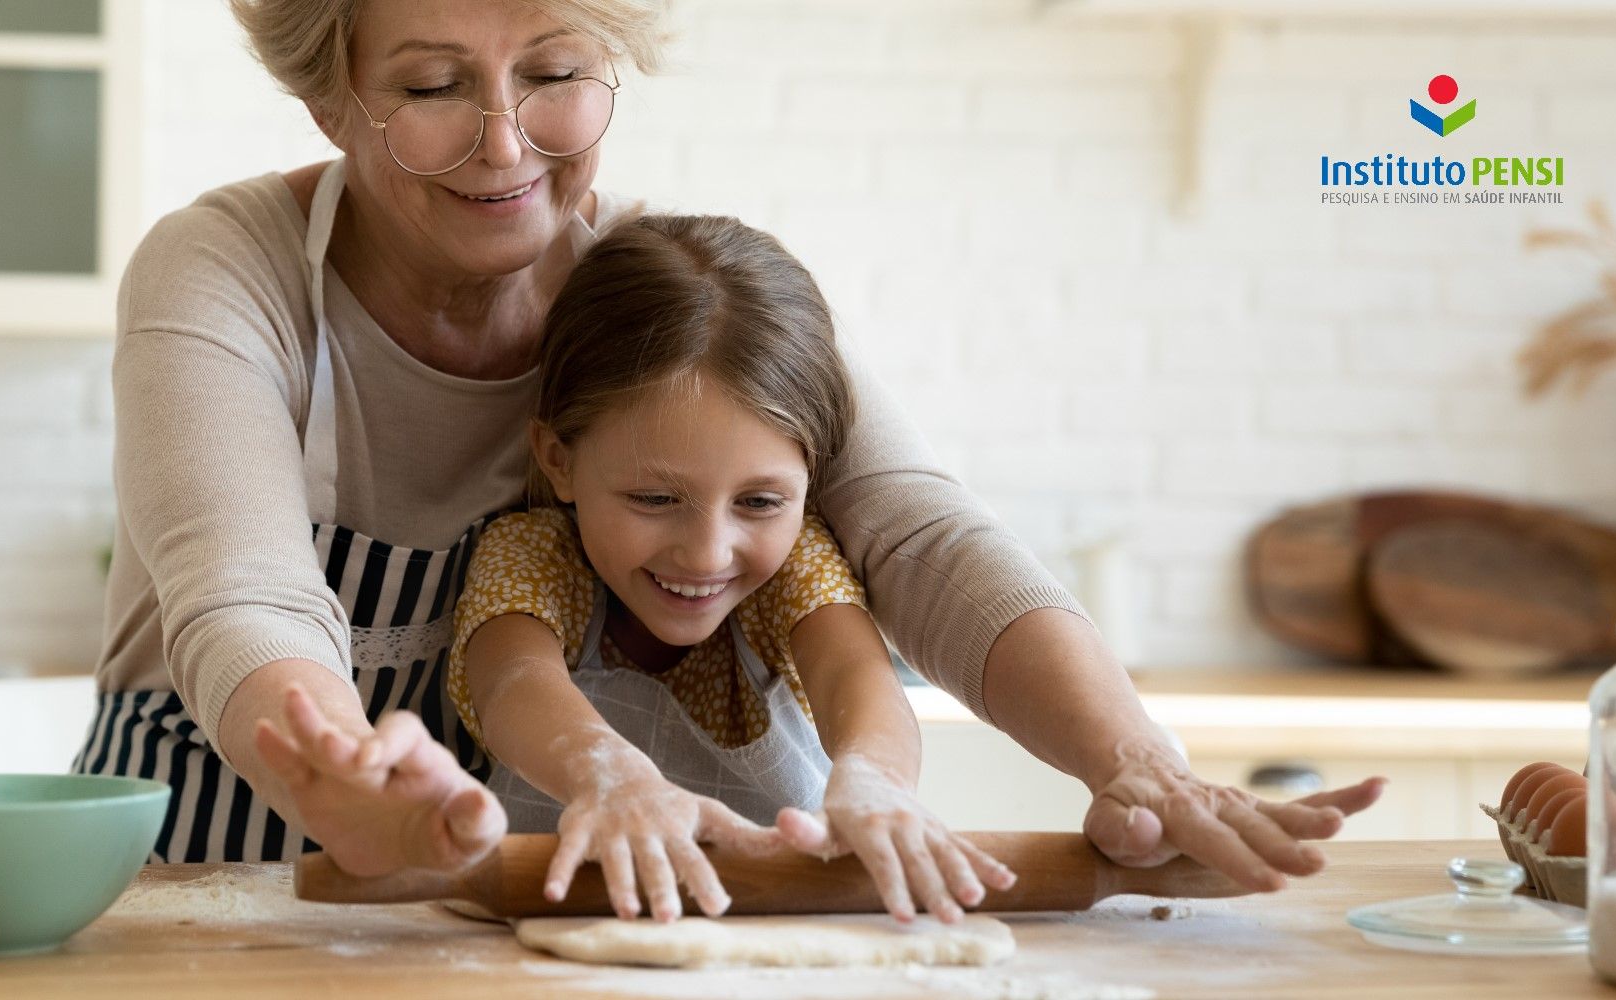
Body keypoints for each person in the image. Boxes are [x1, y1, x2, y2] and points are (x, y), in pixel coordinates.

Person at [78, 0, 1384, 892]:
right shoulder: (226, 270)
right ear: (331, 98)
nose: (502, 139)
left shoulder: (656, 298)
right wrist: (343, 773)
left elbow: (914, 529)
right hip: (198, 870)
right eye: (429, 85)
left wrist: (1136, 764)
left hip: (470, 893)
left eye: (554, 74)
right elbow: (241, 592)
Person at [447, 214, 1015, 924]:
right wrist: (610, 777)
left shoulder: (792, 568)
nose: (708, 553)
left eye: (760, 501)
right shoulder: (535, 558)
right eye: (655, 498)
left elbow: (855, 677)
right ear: (559, 458)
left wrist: (877, 780)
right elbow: (512, 683)